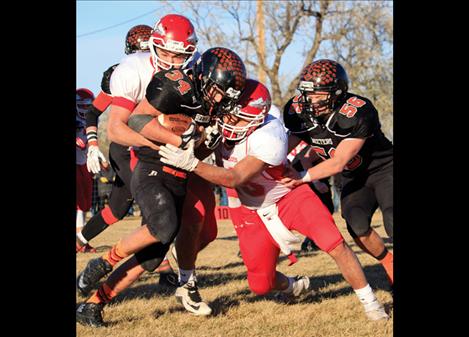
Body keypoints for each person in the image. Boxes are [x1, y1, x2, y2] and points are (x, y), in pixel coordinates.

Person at [158, 78, 389, 321]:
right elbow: (204, 146)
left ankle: (370, 303)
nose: (231, 121)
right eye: (231, 114)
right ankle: (293, 286)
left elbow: (234, 177)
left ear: (258, 118)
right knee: (260, 284)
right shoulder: (223, 116)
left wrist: (191, 164)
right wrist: (190, 142)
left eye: (241, 118)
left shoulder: (269, 134)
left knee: (334, 244)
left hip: (288, 196)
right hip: (252, 210)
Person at [75, 50, 243, 329]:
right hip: (152, 165)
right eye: (218, 91)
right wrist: (173, 140)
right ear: (204, 79)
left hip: (179, 174)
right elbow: (137, 121)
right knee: (164, 224)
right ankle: (103, 261)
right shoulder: (176, 84)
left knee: (152, 258)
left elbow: (194, 153)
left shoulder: (214, 107)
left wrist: (205, 144)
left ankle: (92, 304)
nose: (220, 99)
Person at [75, 22, 182, 283]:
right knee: (154, 203)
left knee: (117, 208)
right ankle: (163, 266)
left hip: (151, 145)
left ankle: (79, 240)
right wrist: (91, 143)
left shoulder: (176, 72)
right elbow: (94, 111)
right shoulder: (125, 73)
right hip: (126, 146)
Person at [281, 59, 394, 287]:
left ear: (337, 93)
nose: (310, 100)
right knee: (357, 225)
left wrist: (301, 178)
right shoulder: (298, 112)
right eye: (307, 93)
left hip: (383, 169)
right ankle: (390, 264)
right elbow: (282, 148)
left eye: (318, 94)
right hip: (354, 178)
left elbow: (339, 162)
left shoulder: (357, 111)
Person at [76, 88, 95, 243]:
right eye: (82, 105)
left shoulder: (92, 119)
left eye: (88, 106)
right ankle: (81, 240)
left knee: (84, 204)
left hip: (84, 162)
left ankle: (80, 239)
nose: (86, 109)